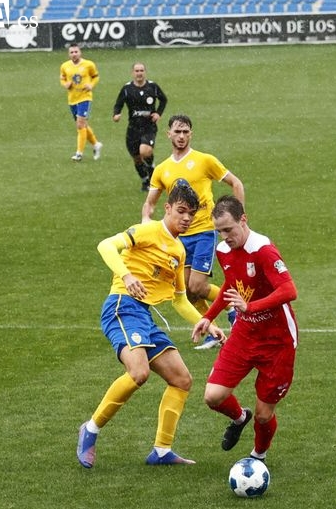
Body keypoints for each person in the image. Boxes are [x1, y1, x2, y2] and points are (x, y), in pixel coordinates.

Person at [76, 182, 226, 469]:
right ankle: (90, 429)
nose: (186, 218)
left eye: (191, 214)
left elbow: (180, 299)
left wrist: (207, 323)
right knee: (139, 372)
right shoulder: (147, 231)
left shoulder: (179, 251)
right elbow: (105, 245)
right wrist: (127, 275)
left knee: (181, 379)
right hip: (122, 307)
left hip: (143, 316)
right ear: (167, 208)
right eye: (181, 211)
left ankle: (161, 450)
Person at [191, 195, 298, 463]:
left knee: (264, 414)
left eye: (229, 229)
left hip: (277, 341)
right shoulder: (223, 250)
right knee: (213, 396)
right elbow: (231, 284)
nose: (225, 237)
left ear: (243, 220)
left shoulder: (263, 250)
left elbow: (289, 290)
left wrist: (251, 307)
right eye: (219, 231)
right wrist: (209, 317)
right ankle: (239, 418)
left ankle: (258, 457)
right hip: (244, 335)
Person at [142, 114, 245, 350]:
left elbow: (236, 183)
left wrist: (238, 219)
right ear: (168, 134)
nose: (181, 136)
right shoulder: (162, 169)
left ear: (191, 134)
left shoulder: (204, 160)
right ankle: (213, 332)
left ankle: (233, 308)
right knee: (187, 291)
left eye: (185, 132)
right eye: (177, 132)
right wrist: (146, 219)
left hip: (204, 232)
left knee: (197, 286)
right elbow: (150, 203)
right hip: (179, 237)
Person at [113, 62, 168, 191]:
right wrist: (116, 114)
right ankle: (145, 181)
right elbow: (118, 104)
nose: (139, 73)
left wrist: (158, 113)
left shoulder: (152, 87)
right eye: (137, 71)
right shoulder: (127, 89)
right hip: (133, 128)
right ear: (133, 73)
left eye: (141, 70)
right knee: (137, 158)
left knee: (145, 151)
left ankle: (152, 168)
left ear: (145, 72)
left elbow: (163, 99)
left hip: (148, 126)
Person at [60, 43, 103, 162]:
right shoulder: (65, 66)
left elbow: (96, 76)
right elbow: (62, 78)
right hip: (72, 99)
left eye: (76, 52)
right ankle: (96, 144)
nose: (74, 54)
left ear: (80, 53)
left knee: (80, 125)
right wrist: (65, 84)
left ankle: (79, 153)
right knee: (82, 125)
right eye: (72, 52)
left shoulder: (89, 64)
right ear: (69, 54)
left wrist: (91, 85)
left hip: (85, 98)